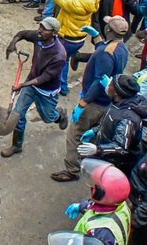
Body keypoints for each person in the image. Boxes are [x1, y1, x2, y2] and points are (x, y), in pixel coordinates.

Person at [51, 16, 129, 183]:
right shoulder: (121, 48)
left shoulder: (105, 53)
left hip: (95, 103)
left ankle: (72, 169)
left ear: (109, 30)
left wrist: (83, 103)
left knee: (75, 134)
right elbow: (107, 50)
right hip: (107, 102)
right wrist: (96, 38)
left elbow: (100, 80)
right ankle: (90, 162)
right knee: (93, 134)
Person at [1, 17, 69, 158]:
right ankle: (16, 145)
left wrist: (22, 85)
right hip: (31, 84)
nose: (40, 30)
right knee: (18, 114)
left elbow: (45, 78)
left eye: (44, 29)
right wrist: (12, 43)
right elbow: (22, 33)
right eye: (40, 27)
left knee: (48, 117)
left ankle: (60, 115)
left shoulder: (59, 55)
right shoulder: (39, 37)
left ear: (54, 33)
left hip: (46, 90)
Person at [75, 74, 147, 176]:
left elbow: (121, 147)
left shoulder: (128, 119)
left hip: (115, 166)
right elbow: (111, 124)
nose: (107, 85)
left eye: (110, 85)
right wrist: (96, 130)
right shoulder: (118, 103)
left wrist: (98, 149)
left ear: (116, 92)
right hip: (107, 157)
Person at [46, 0, 100, 95]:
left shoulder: (74, 4)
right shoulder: (92, 2)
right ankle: (62, 85)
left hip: (67, 39)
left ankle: (61, 86)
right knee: (66, 59)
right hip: (79, 38)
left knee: (61, 61)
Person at [63, 159, 131, 245]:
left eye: (94, 186)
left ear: (99, 194)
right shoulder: (119, 203)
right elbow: (97, 205)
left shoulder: (102, 233)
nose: (91, 187)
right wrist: (81, 206)